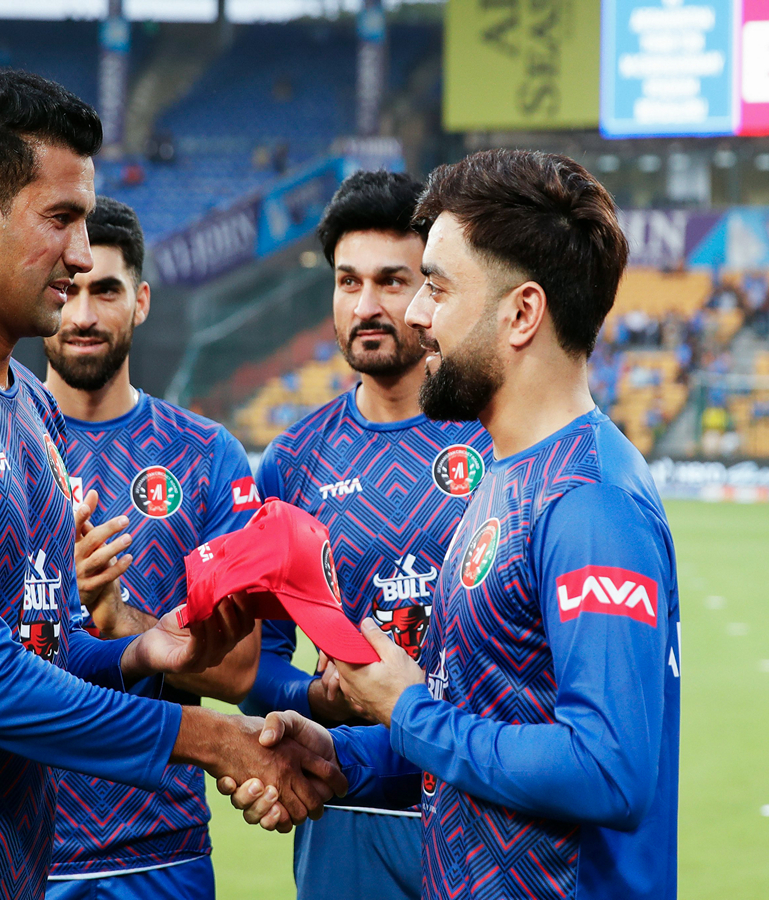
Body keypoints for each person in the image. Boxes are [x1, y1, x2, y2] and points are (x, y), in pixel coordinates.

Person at [0, 70, 344, 900]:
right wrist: (214, 740)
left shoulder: (30, 408)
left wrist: (147, 651)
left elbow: (41, 646)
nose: (81, 253)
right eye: (62, 218)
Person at [223, 149, 681, 900]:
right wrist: (345, 754)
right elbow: (477, 718)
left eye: (434, 286)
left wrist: (407, 707)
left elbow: (607, 770)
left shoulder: (589, 500)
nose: (413, 314)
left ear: (522, 313)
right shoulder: (508, 477)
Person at [238, 171, 491, 900]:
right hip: (344, 806)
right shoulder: (293, 460)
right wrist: (325, 703)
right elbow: (261, 665)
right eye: (348, 282)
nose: (368, 305)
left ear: (431, 292)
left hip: (477, 805)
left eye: (393, 281)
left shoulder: (495, 438)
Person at [42, 196, 262, 900]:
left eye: (104, 290)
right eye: (68, 290)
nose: (81, 315)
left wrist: (115, 613)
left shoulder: (206, 456)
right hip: (14, 847)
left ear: (139, 301)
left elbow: (237, 671)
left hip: (158, 852)